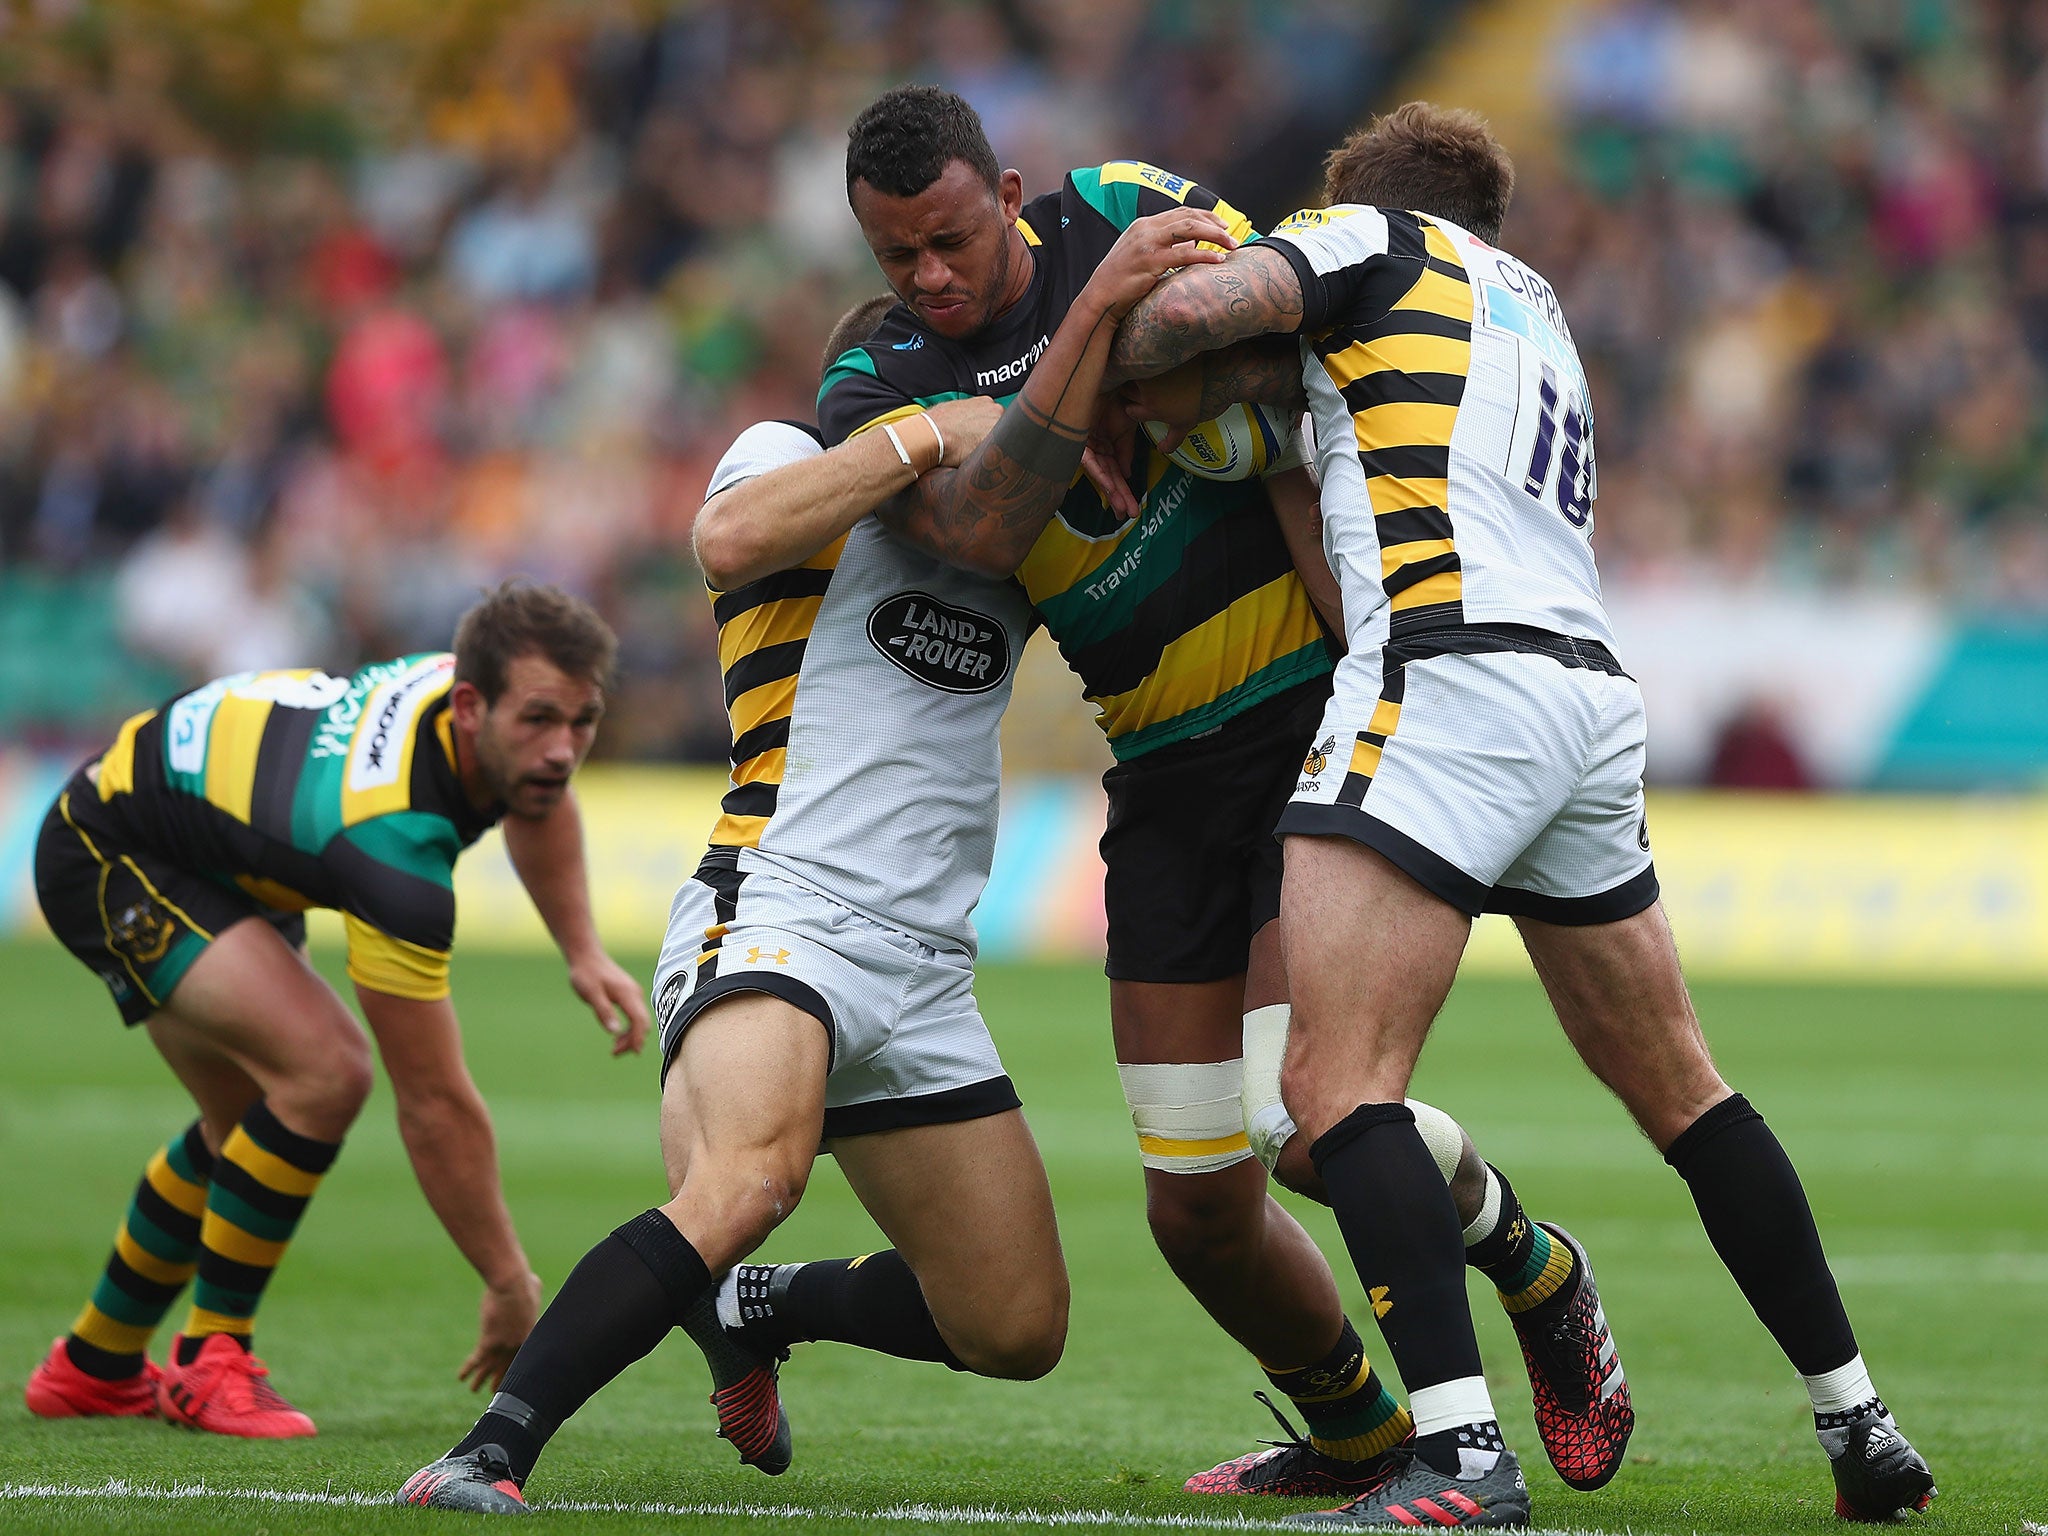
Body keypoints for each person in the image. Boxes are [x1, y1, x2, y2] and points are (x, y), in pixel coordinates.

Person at [1107, 102, 1938, 1528]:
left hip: (1447, 676)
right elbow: (1348, 452)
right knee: (1687, 1089)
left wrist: (1110, 319)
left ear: (1357, 200)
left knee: (1332, 1090)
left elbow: (1182, 322)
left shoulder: (1362, 233)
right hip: (1586, 703)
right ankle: (1859, 1423)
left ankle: (1463, 1460)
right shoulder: (1533, 315)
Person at [817, 84, 1631, 1500]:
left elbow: (1312, 355)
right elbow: (982, 525)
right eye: (900, 257)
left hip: (1311, 727)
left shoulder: (1127, 206)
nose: (931, 279)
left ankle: (1527, 1280)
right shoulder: (873, 374)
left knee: (1309, 1121)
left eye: (951, 239)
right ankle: (1360, 1430)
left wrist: (1167, 404)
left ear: (1007, 193)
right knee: (1196, 1214)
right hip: (1165, 774)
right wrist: (1087, 364)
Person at [395, 250, 1205, 1513]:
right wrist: (931, 429)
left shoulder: (1007, 529)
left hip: (926, 966)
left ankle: (755, 1303)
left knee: (1014, 1326)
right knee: (748, 1182)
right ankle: (488, 1453)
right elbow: (724, 537)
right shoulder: (783, 452)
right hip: (782, 904)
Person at [24, 580, 650, 1439]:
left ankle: (92, 1367)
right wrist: (509, 1280)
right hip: (115, 843)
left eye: (582, 722)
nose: (563, 749)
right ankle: (213, 1360)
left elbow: (537, 795)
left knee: (248, 1122)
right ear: (470, 706)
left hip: (213, 834)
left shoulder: (473, 704)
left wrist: (581, 950)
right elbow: (432, 1105)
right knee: (326, 1072)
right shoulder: (390, 846)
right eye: (539, 720)